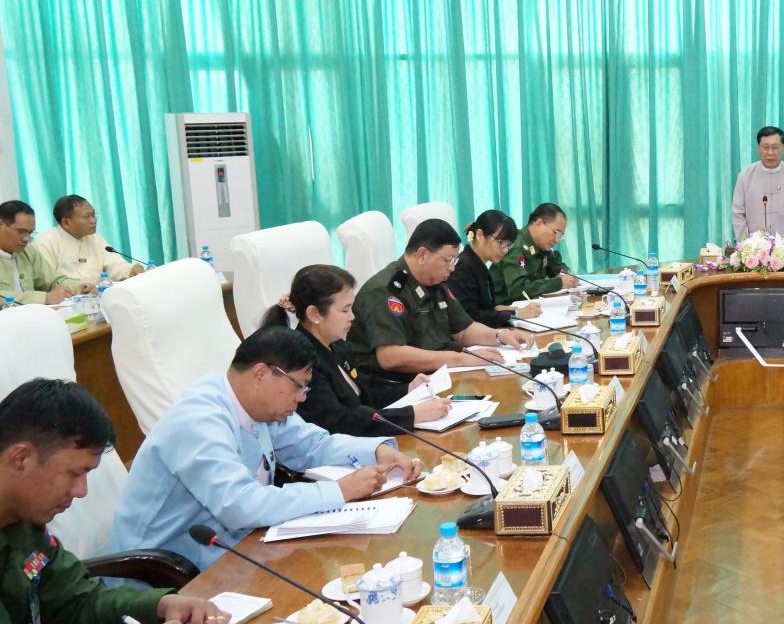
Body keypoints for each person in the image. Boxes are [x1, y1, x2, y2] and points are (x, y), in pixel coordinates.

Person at [108, 326, 422, 571]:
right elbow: (240, 504)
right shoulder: (199, 420)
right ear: (261, 374)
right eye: (299, 386)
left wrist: (377, 451)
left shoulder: (259, 407)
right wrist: (339, 491)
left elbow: (314, 444)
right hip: (167, 577)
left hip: (235, 551)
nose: (302, 398)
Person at [0, 379, 228, 624]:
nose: (81, 491)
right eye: (73, 473)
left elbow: (77, 600)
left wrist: (159, 605)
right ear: (20, 458)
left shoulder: (23, 520)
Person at [349, 219, 528, 409]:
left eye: (454, 261)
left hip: (435, 378)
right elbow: (391, 357)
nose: (452, 268)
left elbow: (464, 330)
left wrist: (500, 335)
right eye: (447, 260)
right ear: (422, 255)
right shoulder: (385, 291)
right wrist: (459, 359)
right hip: (395, 391)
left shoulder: (433, 282)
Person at [260, 265, 453, 435]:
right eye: (345, 310)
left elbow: (364, 395)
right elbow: (339, 421)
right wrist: (412, 415)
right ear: (314, 314)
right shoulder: (301, 362)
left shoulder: (337, 345)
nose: (352, 317)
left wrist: (408, 389)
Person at [446, 210, 542, 328]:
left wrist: (515, 309)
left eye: (508, 245)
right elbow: (470, 317)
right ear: (480, 235)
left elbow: (487, 308)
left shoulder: (479, 265)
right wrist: (516, 314)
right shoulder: (462, 268)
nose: (505, 250)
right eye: (502, 243)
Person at [31, 195, 144, 287]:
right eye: (87, 217)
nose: (93, 220)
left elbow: (114, 263)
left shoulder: (96, 239)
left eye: (94, 215)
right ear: (66, 222)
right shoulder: (46, 243)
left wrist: (131, 269)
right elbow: (48, 282)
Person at [730, 126, 784, 241]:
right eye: (765, 147)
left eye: (775, 147)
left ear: (783, 148)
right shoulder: (744, 177)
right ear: (758, 148)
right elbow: (738, 215)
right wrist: (747, 245)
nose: (770, 152)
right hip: (753, 248)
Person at [0, 200, 90, 305]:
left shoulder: (28, 251)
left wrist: (79, 287)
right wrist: (44, 298)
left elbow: (53, 281)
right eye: (21, 231)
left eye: (30, 233)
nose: (26, 239)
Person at [489, 203, 579, 303]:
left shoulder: (542, 245)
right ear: (539, 223)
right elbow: (518, 289)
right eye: (556, 233)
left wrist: (566, 274)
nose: (557, 240)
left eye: (560, 236)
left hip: (531, 306)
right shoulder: (516, 246)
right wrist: (559, 283)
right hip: (506, 308)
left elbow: (556, 265)